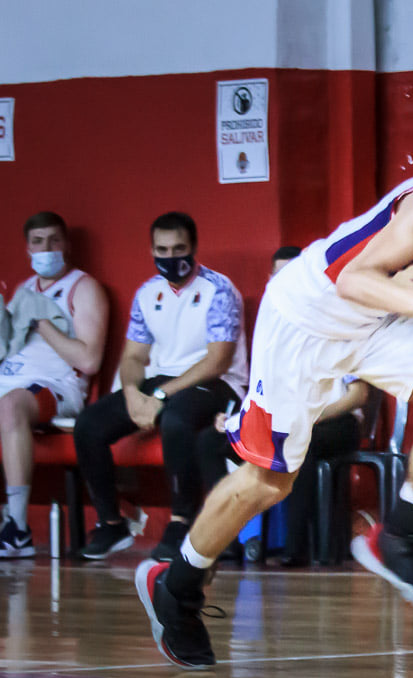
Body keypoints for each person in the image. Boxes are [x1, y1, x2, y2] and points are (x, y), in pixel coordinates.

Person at [135, 91, 413, 669]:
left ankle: (399, 538)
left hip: (381, 320)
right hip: (308, 315)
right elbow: (352, 278)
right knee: (268, 482)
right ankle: (176, 588)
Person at [74, 212, 248, 560]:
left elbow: (218, 360)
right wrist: (132, 396)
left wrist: (158, 396)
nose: (171, 257)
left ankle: (181, 521)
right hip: (163, 380)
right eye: (162, 249)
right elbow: (133, 357)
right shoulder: (147, 293)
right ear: (152, 250)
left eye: (179, 248)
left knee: (176, 419)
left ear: (194, 247)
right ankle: (111, 524)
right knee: (88, 425)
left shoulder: (219, 289)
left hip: (217, 383)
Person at [196, 246, 369, 566]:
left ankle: (294, 548)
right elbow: (262, 390)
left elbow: (357, 396)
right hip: (286, 419)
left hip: (336, 421)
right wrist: (236, 418)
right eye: (281, 275)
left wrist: (309, 417)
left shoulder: (340, 322)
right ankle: (229, 541)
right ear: (272, 281)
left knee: (298, 442)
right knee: (211, 441)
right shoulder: (275, 330)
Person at [0, 212, 109, 558]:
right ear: (27, 249)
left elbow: (89, 360)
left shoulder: (84, 287)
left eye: (54, 241)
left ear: (67, 245)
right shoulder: (23, 290)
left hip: (57, 385)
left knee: (10, 405)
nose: (46, 249)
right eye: (38, 242)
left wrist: (43, 323)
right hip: (11, 376)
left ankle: (17, 528)